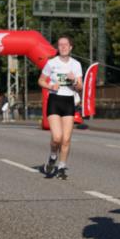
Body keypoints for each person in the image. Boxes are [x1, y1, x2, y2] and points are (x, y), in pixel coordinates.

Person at [38, 37, 83, 179]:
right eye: (60, 45)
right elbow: (40, 80)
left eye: (66, 45)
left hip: (69, 100)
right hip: (54, 100)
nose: (63, 47)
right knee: (57, 138)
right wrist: (50, 86)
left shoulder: (76, 65)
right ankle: (52, 156)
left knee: (66, 139)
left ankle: (62, 166)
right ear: (58, 47)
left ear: (71, 47)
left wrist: (74, 80)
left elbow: (80, 87)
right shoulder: (51, 63)